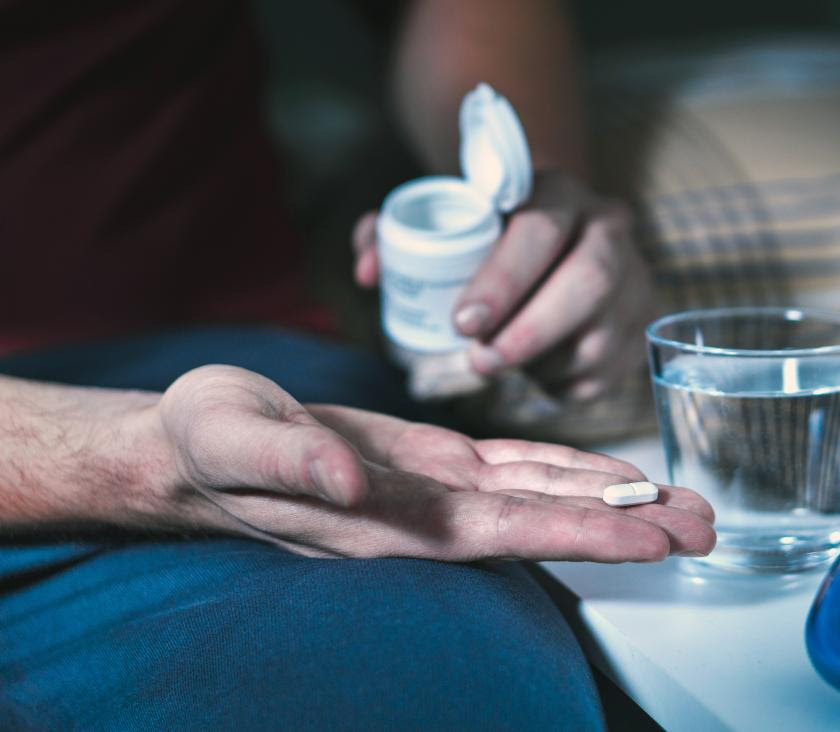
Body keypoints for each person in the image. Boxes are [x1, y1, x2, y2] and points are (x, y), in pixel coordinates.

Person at [0, 1, 715, 728]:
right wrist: (136, 456)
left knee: (445, 696)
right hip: (106, 437)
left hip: (252, 372)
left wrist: (528, 197)